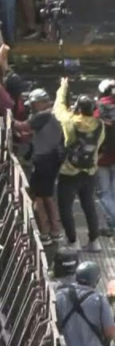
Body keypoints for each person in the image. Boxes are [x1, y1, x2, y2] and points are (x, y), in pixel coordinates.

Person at [54, 77, 104, 251]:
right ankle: (94, 242)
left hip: (69, 172)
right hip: (90, 172)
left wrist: (63, 87)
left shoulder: (70, 122)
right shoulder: (99, 125)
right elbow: (98, 145)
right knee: (89, 206)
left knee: (65, 207)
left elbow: (58, 109)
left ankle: (72, 241)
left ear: (78, 108)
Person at [26, 88, 64, 241]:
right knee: (47, 196)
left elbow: (24, 128)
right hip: (52, 161)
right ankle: (54, 230)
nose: (32, 107)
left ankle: (46, 230)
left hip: (43, 162)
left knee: (40, 198)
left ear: (42, 102)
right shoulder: (53, 115)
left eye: (34, 104)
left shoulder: (43, 116)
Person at [94, 79, 115, 237]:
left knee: (103, 193)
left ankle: (113, 221)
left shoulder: (97, 108)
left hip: (101, 158)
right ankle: (110, 224)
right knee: (113, 193)